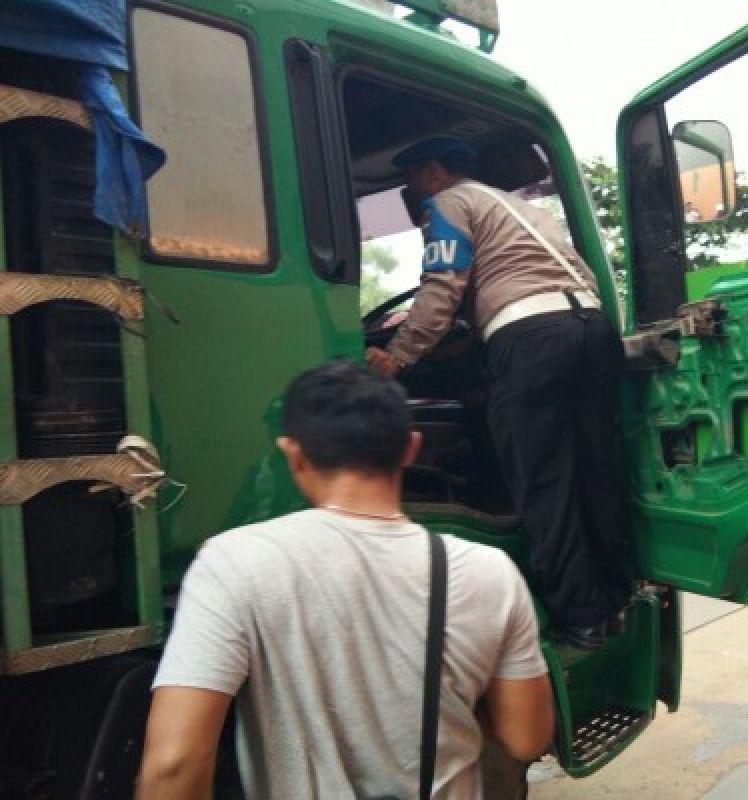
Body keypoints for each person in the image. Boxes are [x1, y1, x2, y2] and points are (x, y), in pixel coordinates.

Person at [136, 361, 554, 799]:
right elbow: (527, 738)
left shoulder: (233, 562)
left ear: (292, 453)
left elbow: (174, 765)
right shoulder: (489, 571)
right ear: (411, 450)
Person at [366, 136, 632, 649]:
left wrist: (396, 356)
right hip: (591, 330)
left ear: (437, 173)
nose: (409, 189)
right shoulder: (521, 208)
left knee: (543, 481)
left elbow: (443, 284)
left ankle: (578, 617)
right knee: (594, 473)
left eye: (413, 176)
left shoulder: (448, 203)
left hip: (529, 339)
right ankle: (614, 602)